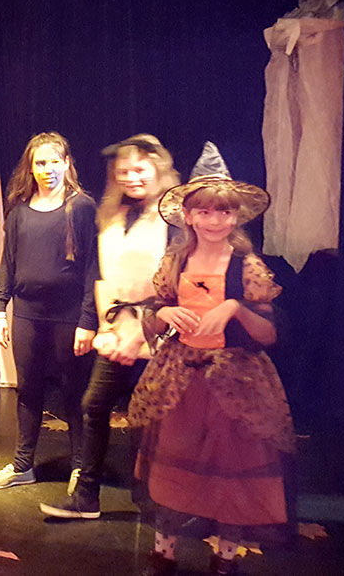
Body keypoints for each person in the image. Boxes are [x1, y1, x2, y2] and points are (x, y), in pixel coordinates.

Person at [129, 142, 294, 575]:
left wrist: (235, 308)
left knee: (231, 471)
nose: (214, 220)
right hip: (181, 381)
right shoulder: (176, 261)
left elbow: (269, 333)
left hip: (234, 385)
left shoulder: (247, 267)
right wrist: (163, 314)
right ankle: (164, 552)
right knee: (173, 469)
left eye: (224, 212)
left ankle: (225, 558)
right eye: (204, 211)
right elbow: (155, 314)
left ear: (236, 217)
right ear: (188, 216)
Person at [40, 134, 179, 519]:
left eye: (139, 169)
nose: (131, 178)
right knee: (94, 404)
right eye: (123, 172)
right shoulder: (112, 215)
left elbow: (177, 286)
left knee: (155, 418)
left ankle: (160, 500)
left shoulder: (175, 218)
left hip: (161, 333)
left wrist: (139, 333)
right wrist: (106, 328)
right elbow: (101, 275)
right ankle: (87, 497)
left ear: (158, 168)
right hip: (117, 330)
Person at [0, 132, 98, 491]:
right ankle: (22, 465)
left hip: (69, 316)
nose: (48, 169)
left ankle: (80, 468)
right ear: (30, 168)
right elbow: (8, 264)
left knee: (74, 392)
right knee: (28, 390)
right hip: (28, 315)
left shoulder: (82, 208)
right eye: (40, 163)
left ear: (67, 163)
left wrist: (87, 320)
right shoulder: (19, 211)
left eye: (54, 161)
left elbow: (93, 268)